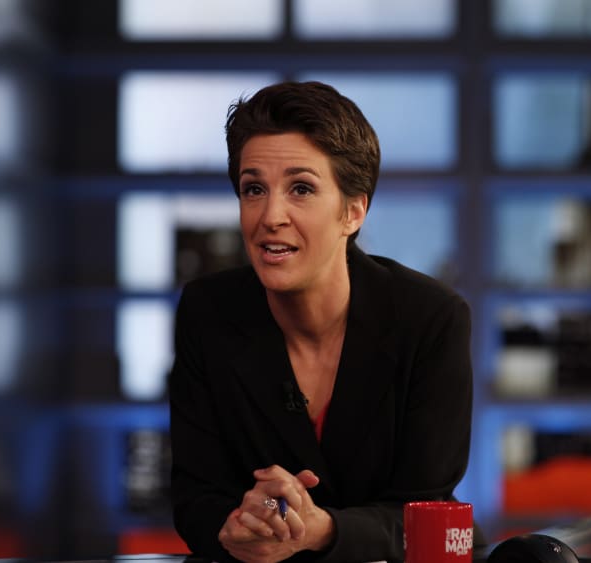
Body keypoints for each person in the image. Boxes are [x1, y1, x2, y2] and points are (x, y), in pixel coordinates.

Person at [168, 80, 481, 563]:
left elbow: (429, 510)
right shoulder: (207, 312)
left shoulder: (430, 319)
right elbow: (195, 498)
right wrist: (239, 523)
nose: (270, 216)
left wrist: (325, 529)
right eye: (254, 189)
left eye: (301, 189)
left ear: (353, 212)